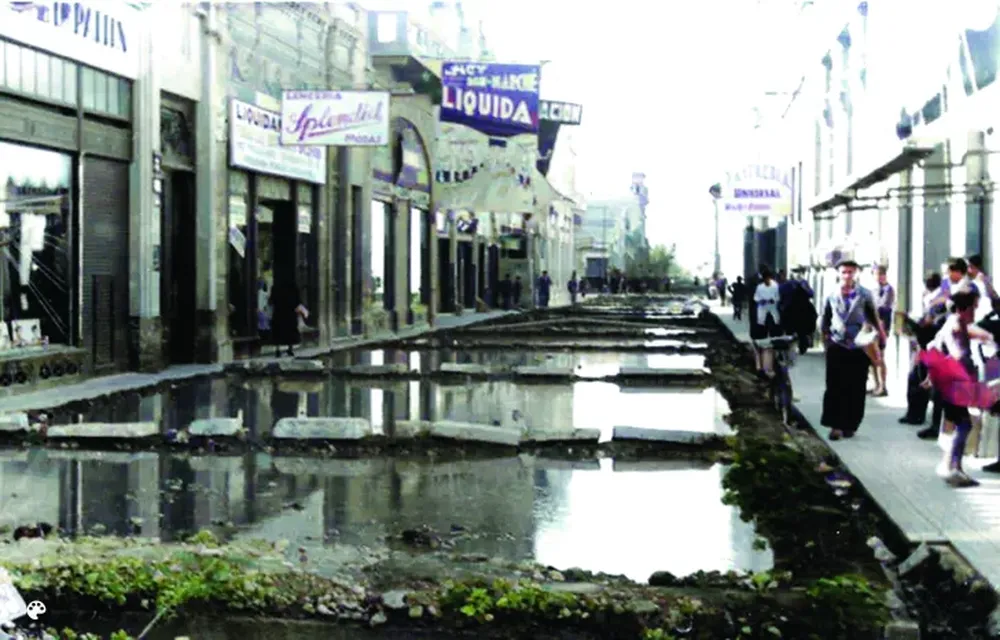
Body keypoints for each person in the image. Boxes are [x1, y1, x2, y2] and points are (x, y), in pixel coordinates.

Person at [925, 290, 996, 487]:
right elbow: (957, 354)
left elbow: (935, 346)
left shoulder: (955, 323)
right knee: (963, 423)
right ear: (963, 308)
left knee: (960, 423)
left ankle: (954, 467)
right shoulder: (956, 324)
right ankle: (950, 466)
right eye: (973, 306)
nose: (975, 311)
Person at [820, 258, 884, 441]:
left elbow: (873, 316)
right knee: (834, 386)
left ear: (856, 273)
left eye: (851, 272)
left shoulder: (864, 294)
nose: (847, 275)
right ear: (838, 273)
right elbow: (825, 317)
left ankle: (850, 424)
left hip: (858, 345)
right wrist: (826, 339)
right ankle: (835, 425)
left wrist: (880, 337)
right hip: (837, 343)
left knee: (855, 387)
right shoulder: (831, 293)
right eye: (844, 272)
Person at [900, 272, 943, 426]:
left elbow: (928, 325)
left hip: (929, 346)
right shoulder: (930, 297)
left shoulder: (937, 300)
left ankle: (917, 415)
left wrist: (912, 323)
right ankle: (914, 413)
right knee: (915, 379)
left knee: (919, 380)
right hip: (923, 344)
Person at [750, 265, 782, 376]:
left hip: (772, 308)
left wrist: (773, 300)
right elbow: (756, 298)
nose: (767, 280)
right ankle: (762, 367)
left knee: (774, 325)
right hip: (763, 308)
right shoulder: (760, 287)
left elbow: (778, 297)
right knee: (761, 330)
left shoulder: (775, 286)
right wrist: (761, 301)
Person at [870, 265, 895, 397]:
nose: (878, 277)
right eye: (875, 274)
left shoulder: (888, 290)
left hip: (882, 327)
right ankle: (876, 384)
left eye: (880, 274)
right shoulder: (873, 290)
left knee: (879, 357)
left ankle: (883, 385)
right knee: (872, 358)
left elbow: (883, 307)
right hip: (872, 326)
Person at [269, 276, 306, 358]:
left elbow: (271, 300)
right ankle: (290, 349)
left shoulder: (275, 287)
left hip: (278, 312)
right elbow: (298, 300)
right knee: (290, 331)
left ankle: (277, 350)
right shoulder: (293, 287)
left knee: (278, 331)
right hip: (290, 312)